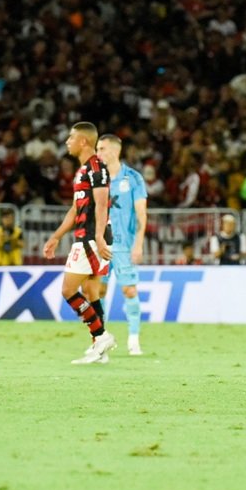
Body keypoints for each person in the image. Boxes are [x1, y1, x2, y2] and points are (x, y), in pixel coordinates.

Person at [42, 122, 116, 364]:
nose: (67, 142)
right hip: (89, 238)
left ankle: (100, 336)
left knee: (68, 290)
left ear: (83, 141)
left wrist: (98, 237)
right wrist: (56, 236)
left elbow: (103, 204)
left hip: (91, 239)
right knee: (91, 290)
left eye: (71, 138)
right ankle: (100, 348)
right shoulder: (83, 171)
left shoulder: (97, 168)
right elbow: (76, 209)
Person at [95, 134, 148, 355]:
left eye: (102, 149)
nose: (97, 154)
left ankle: (133, 339)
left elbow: (141, 214)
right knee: (98, 291)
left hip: (125, 246)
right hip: (101, 245)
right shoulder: (96, 178)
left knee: (128, 290)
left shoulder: (133, 178)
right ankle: (101, 340)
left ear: (115, 151)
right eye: (97, 149)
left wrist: (139, 244)